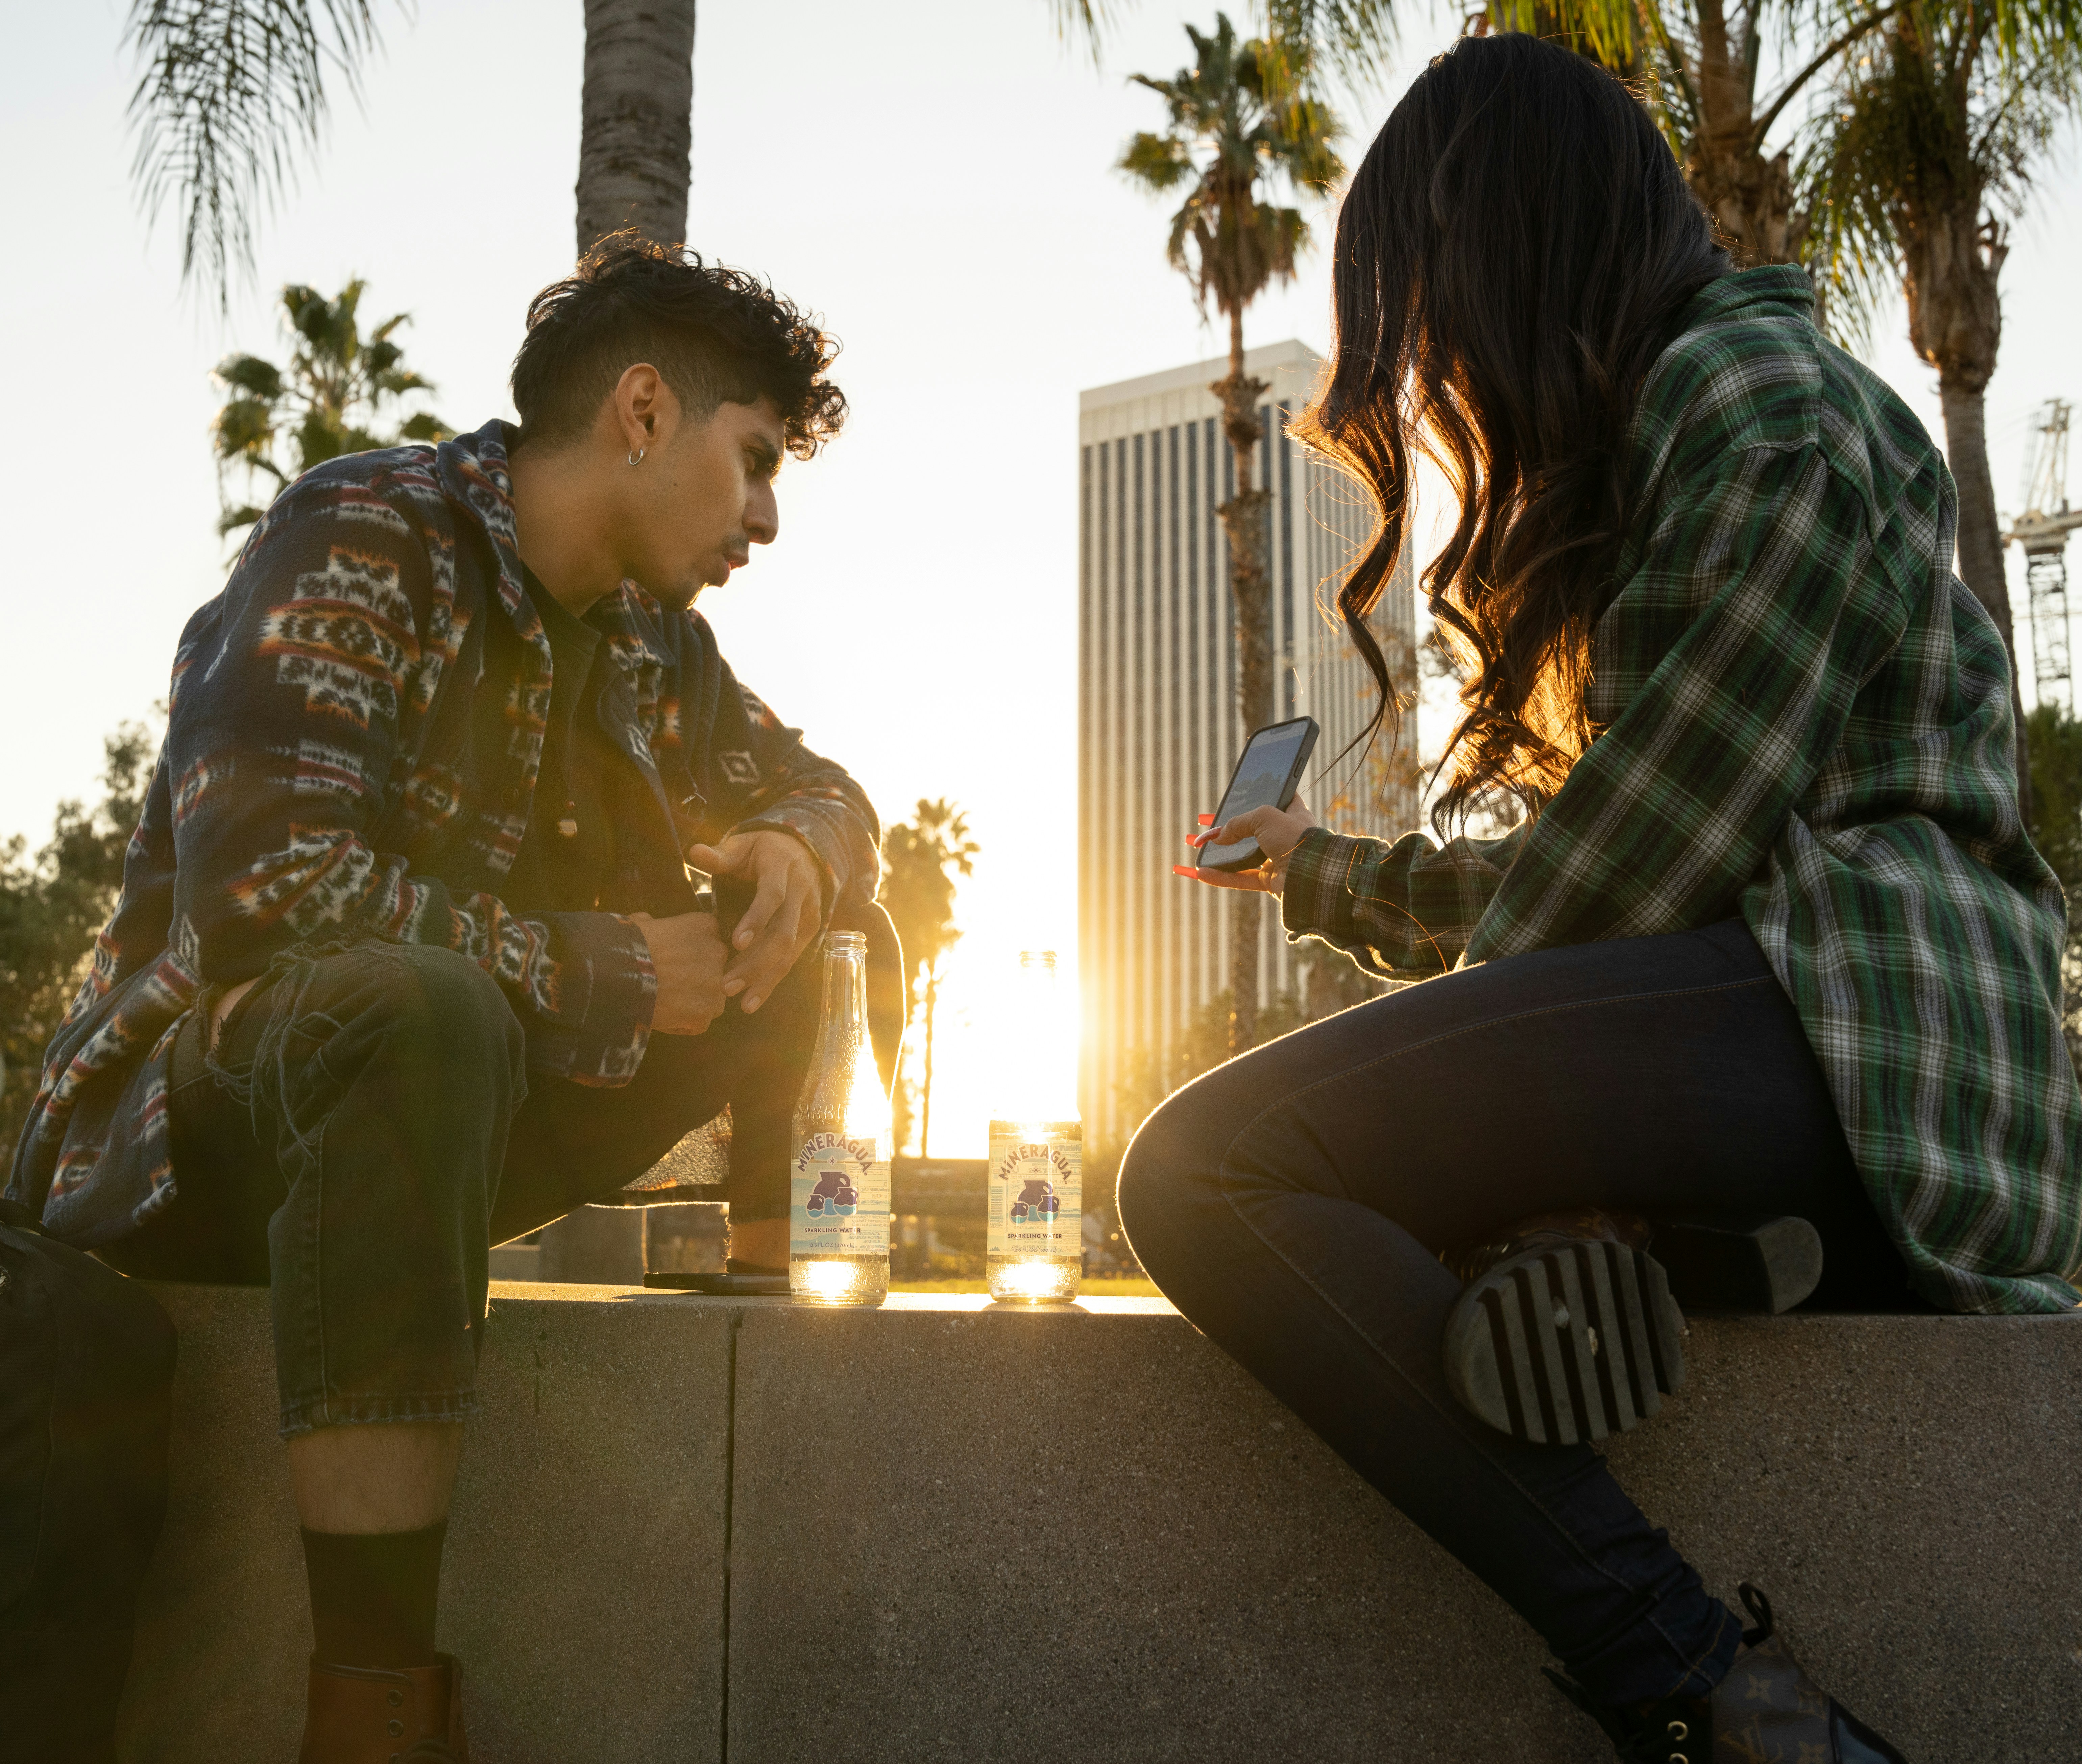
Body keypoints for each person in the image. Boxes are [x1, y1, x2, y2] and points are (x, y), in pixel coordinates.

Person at [1122, 33, 2081, 1764]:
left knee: (1206, 1167)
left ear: (1506, 248)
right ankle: (1629, 1232)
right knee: (1424, 1179)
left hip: (1865, 1022)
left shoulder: (1750, 397)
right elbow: (1651, 859)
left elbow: (1644, 858)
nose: (1429, 374)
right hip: (1841, 1027)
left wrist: (1453, 1091)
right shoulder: (1726, 403)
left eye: (1428, 308)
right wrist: (1336, 874)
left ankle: (1721, 1696)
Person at [6, 235, 899, 1761]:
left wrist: (792, 841)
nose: (763, 517)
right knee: (424, 1008)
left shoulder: (646, 641)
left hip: (430, 1129)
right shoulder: (368, 528)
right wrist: (614, 963)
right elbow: (268, 896)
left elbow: (825, 787)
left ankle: (783, 1266)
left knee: (815, 917)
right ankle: (370, 1707)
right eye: (752, 462)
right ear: (638, 411)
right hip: (194, 1128)